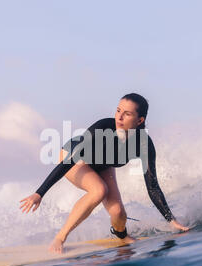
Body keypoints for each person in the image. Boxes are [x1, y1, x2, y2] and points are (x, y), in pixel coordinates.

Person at [20, 93, 189, 254]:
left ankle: (121, 236)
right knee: (99, 190)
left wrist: (171, 220)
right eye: (118, 111)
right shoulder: (103, 128)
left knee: (118, 214)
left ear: (140, 120)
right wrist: (39, 193)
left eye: (127, 114)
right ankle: (60, 238)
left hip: (103, 165)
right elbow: (70, 161)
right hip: (72, 157)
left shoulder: (143, 144)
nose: (119, 117)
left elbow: (152, 186)